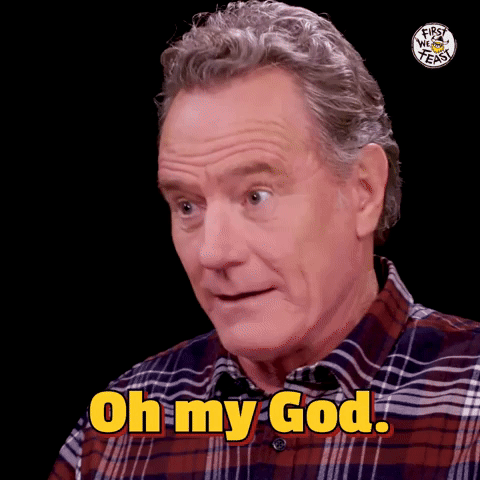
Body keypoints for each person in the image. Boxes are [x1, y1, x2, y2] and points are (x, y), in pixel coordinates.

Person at [49, 1, 479, 479]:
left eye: (256, 196)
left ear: (363, 191)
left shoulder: (470, 404)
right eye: (187, 206)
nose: (214, 253)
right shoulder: (116, 432)